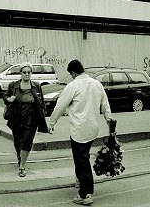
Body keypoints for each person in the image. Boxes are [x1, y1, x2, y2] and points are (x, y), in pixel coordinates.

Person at [47, 59, 113, 206]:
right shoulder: (97, 84)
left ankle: (85, 193)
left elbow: (60, 106)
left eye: (71, 74)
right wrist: (109, 120)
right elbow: (105, 104)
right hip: (93, 129)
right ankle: (80, 180)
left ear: (73, 72)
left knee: (81, 160)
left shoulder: (73, 86)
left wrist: (51, 123)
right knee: (83, 156)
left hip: (79, 130)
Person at [3, 63, 49, 178]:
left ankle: (22, 167)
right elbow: (5, 97)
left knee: (27, 143)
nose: (27, 74)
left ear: (31, 73)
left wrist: (44, 116)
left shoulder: (36, 86)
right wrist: (9, 99)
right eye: (24, 72)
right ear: (20, 73)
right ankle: (20, 156)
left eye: (29, 72)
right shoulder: (13, 85)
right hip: (16, 119)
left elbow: (41, 102)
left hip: (31, 120)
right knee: (18, 142)